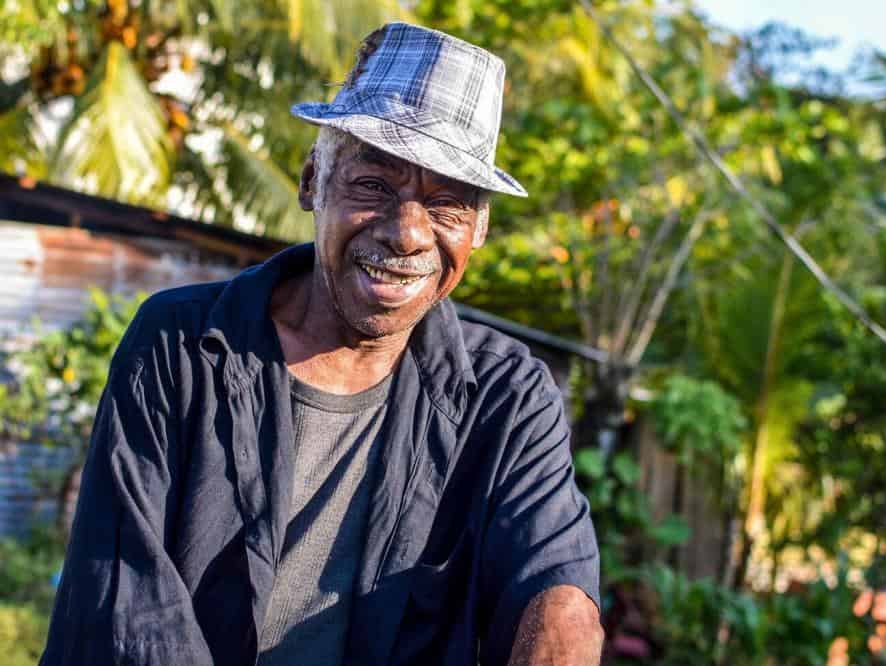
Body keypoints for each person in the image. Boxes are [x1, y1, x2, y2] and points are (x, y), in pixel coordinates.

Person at [40, 21, 603, 666]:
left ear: (477, 230)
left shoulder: (508, 394)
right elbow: (129, 604)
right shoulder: (179, 345)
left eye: (447, 206)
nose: (406, 234)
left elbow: (558, 586)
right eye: (374, 187)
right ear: (313, 181)